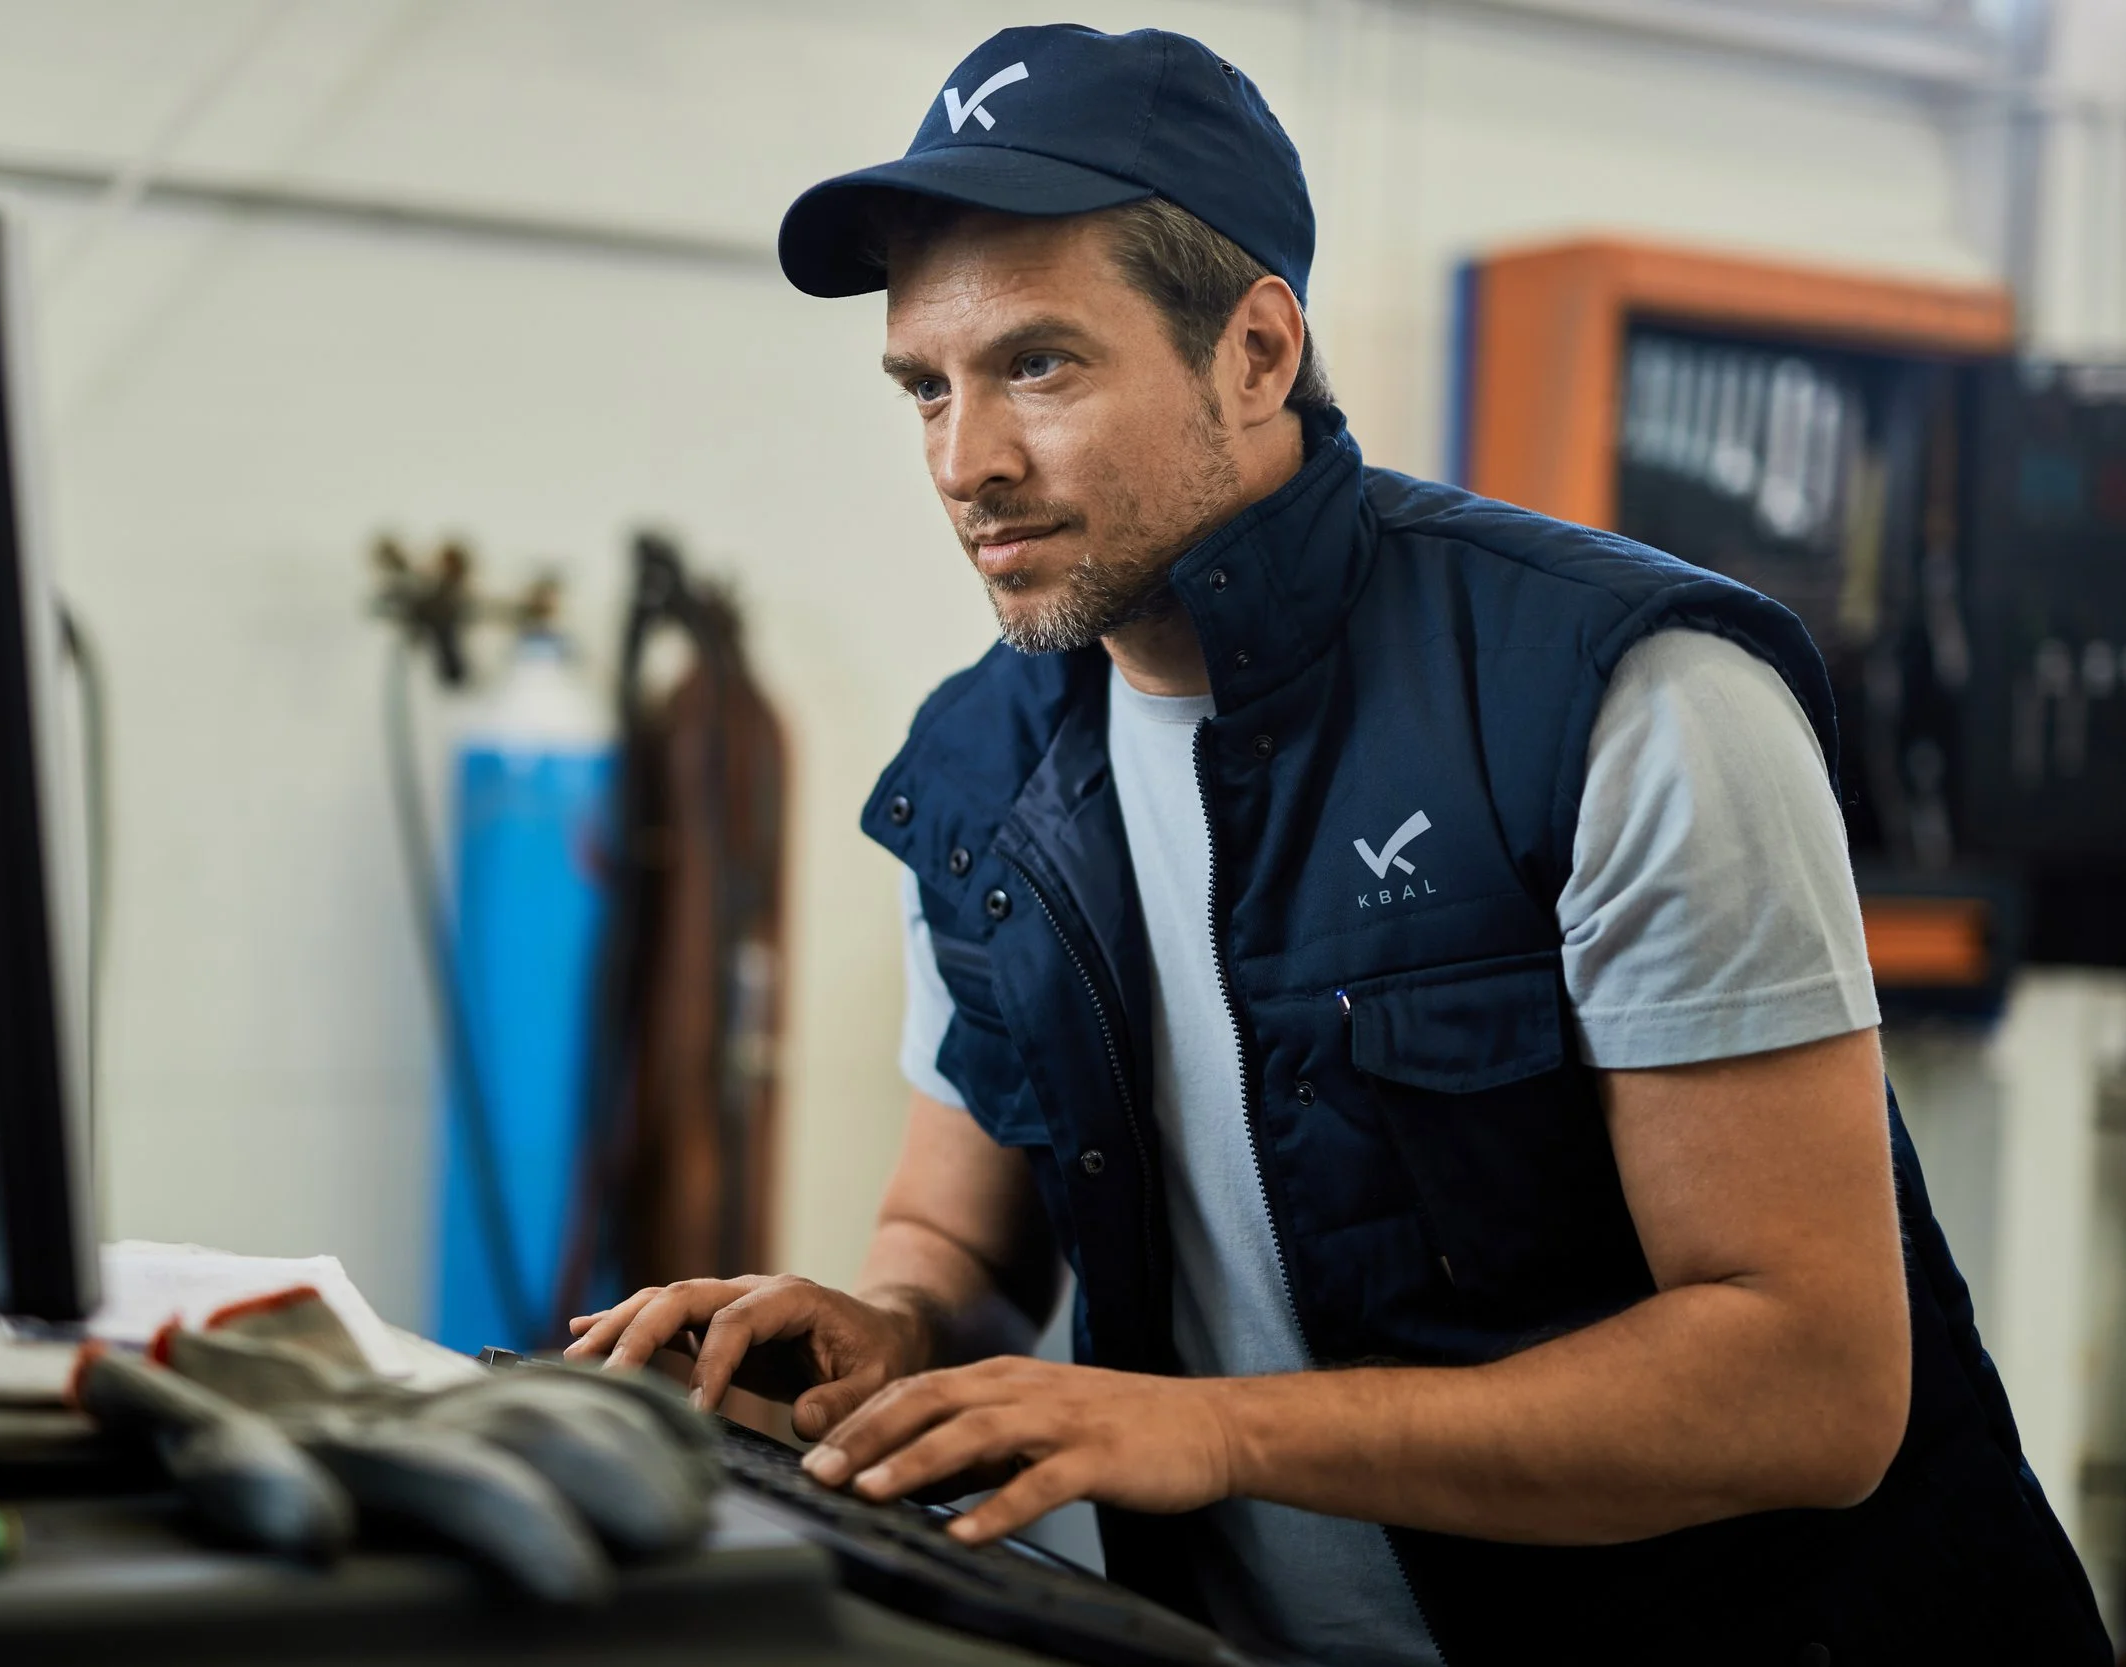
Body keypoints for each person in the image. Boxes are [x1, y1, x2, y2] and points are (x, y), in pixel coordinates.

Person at [567, 24, 2107, 1664]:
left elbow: (1810, 1383)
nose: (967, 462)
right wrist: (883, 1330)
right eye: (926, 388)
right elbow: (953, 1244)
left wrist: (1215, 1430)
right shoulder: (979, 768)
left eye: (1040, 366)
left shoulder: (1624, 699)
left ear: (1255, 351)